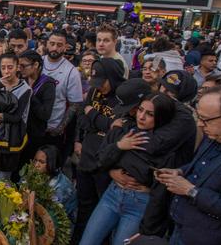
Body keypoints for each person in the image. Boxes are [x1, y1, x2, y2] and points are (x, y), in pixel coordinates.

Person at [158, 86, 221, 245]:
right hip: (181, 227)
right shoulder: (216, 133)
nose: (200, 125)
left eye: (205, 119)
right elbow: (203, 165)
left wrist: (190, 190)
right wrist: (180, 172)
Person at [81, 93, 176, 245]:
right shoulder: (125, 129)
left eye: (149, 114)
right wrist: (119, 147)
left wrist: (147, 228)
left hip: (139, 202)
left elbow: (157, 188)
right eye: (140, 110)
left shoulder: (165, 146)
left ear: (161, 117)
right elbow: (100, 159)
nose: (142, 117)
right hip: (112, 195)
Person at [73, 58, 126, 242]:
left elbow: (117, 129)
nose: (99, 87)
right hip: (86, 157)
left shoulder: (123, 96)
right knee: (84, 205)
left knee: (104, 211)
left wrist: (92, 114)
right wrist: (102, 123)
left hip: (106, 164)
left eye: (102, 82)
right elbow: (81, 116)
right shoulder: (94, 91)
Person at [41, 31, 83, 158]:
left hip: (52, 129)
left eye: (59, 45)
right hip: (32, 125)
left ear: (65, 47)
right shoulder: (37, 62)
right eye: (52, 43)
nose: (55, 48)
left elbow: (75, 104)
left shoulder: (71, 71)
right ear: (46, 44)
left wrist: (60, 128)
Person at [17, 50, 55, 168]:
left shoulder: (48, 84)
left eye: (23, 66)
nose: (20, 69)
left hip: (34, 135)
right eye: (19, 66)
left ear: (36, 65)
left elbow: (45, 114)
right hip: (18, 132)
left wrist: (30, 94)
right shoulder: (21, 79)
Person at [32, 144, 78, 222]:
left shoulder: (61, 187)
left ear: (52, 163)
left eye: (41, 162)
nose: (36, 165)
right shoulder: (33, 175)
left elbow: (52, 217)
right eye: (35, 160)